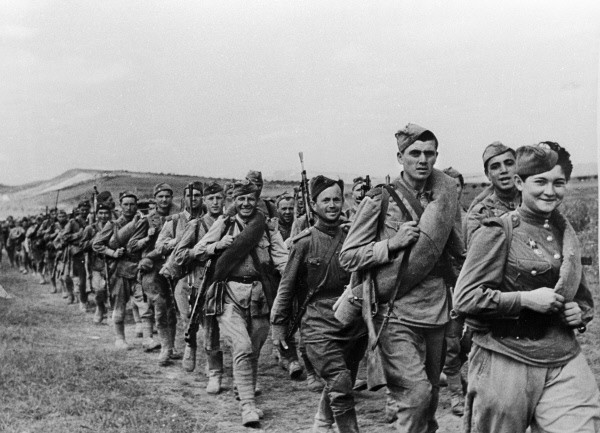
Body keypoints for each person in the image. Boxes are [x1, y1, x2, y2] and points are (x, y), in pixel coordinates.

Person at [453, 142, 600, 432]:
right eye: (540, 182)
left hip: (561, 354)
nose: (550, 191)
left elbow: (580, 294)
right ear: (520, 183)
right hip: (505, 357)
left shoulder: (563, 232)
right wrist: (524, 300)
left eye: (558, 183)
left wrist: (580, 313)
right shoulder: (497, 230)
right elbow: (465, 298)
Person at [339, 123, 463, 433]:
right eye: (415, 153)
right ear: (400, 157)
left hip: (436, 310)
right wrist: (390, 245)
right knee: (416, 394)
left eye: (429, 154)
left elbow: (457, 249)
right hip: (395, 311)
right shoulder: (380, 199)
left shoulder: (446, 199)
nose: (423, 160)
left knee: (431, 397)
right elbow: (349, 255)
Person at [272, 175, 368, 433]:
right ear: (313, 205)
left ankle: (322, 423)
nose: (333, 205)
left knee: (343, 378)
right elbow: (287, 287)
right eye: (326, 200)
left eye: (337, 199)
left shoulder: (352, 235)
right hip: (317, 324)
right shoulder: (303, 243)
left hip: (352, 319)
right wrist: (278, 325)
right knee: (340, 382)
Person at [196, 179, 288, 427]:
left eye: (250, 199)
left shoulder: (267, 227)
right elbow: (199, 250)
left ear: (257, 201)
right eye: (241, 199)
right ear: (233, 201)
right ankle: (247, 406)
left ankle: (246, 393)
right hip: (229, 294)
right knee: (242, 346)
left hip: (260, 294)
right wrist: (218, 245)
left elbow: (282, 259)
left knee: (254, 351)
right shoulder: (224, 224)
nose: (246, 203)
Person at [164, 181, 226, 394]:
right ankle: (193, 348)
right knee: (196, 324)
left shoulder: (231, 223)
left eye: (219, 198)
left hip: (223, 283)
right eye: (211, 199)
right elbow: (179, 255)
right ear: (205, 202)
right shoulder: (197, 225)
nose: (216, 202)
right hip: (197, 282)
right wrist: (203, 252)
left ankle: (216, 372)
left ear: (225, 199)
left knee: (214, 330)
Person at [128, 183, 179, 363]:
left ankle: (171, 346)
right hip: (152, 268)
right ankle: (165, 347)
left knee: (172, 308)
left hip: (173, 265)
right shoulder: (148, 219)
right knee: (160, 306)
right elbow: (132, 246)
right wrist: (147, 239)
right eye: (160, 196)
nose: (164, 200)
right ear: (155, 199)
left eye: (167, 196)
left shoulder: (179, 216)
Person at [92, 191, 142, 350]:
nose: (129, 207)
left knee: (144, 302)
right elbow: (97, 244)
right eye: (125, 204)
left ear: (136, 206)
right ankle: (120, 338)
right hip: (120, 269)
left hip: (140, 267)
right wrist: (112, 253)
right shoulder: (112, 225)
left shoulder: (142, 222)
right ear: (121, 206)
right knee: (119, 305)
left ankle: (146, 335)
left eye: (132, 204)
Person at [440, 166, 468, 416]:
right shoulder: (438, 218)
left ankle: (455, 377)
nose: (453, 189)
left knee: (467, 341)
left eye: (457, 185)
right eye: (448, 185)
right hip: (447, 290)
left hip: (471, 288)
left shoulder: (471, 218)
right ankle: (455, 394)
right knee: (451, 343)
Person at [464, 142, 520, 246]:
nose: (503, 170)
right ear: (487, 175)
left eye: (509, 163)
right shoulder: (480, 213)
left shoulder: (532, 201)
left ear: (518, 167)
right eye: (495, 167)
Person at [81, 203, 113, 324]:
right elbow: (82, 246)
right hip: (96, 264)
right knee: (99, 289)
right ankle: (100, 308)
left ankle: (111, 312)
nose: (104, 216)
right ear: (97, 214)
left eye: (106, 213)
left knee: (111, 290)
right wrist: (94, 240)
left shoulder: (114, 226)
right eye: (101, 213)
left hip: (112, 263)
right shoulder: (91, 229)